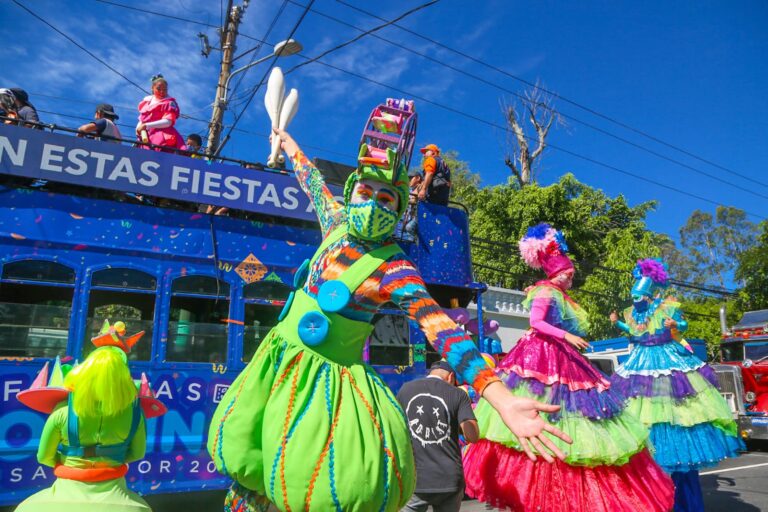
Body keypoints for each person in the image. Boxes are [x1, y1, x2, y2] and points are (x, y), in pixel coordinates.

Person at [207, 105, 571, 511]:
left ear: (398, 208)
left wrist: (501, 399)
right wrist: (285, 137)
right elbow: (309, 177)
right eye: (366, 193)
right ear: (352, 193)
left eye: (387, 198)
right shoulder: (337, 221)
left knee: (314, 492)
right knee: (246, 466)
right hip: (276, 364)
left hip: (323, 385)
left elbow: (443, 329)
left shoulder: (395, 267)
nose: (374, 204)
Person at [462, 223, 675, 512]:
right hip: (541, 355)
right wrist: (567, 336)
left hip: (562, 356)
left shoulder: (559, 295)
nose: (571, 278)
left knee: (575, 415)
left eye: (571, 274)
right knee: (547, 409)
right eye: (569, 274)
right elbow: (536, 323)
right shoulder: (546, 292)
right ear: (557, 273)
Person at [610, 258, 743, 511]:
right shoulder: (633, 312)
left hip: (667, 361)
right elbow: (634, 330)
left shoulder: (667, 307)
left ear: (648, 294)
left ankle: (684, 503)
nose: (636, 299)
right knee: (644, 417)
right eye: (634, 295)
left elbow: (682, 325)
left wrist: (676, 325)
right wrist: (617, 322)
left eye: (640, 296)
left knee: (676, 418)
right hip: (640, 364)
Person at [14, 320, 166, 512]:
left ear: (85, 372)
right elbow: (137, 453)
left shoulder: (62, 412)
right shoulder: (136, 414)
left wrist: (69, 461)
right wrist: (112, 458)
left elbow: (44, 456)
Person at [397, 360, 478, 512]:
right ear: (451, 377)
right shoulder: (458, 394)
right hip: (449, 479)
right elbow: (472, 436)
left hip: (416, 479)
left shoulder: (405, 390)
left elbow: (395, 428)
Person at [136, 74, 185, 151]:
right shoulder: (147, 102)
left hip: (162, 136)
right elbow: (142, 119)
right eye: (159, 89)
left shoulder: (169, 103)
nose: (162, 92)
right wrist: (138, 128)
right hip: (146, 135)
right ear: (152, 88)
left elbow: (168, 122)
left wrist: (146, 125)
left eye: (165, 89)